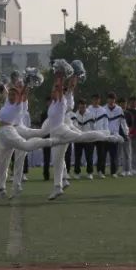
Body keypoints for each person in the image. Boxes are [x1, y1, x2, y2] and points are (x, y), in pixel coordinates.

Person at [46, 72, 123, 200]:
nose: (53, 92)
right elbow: (65, 88)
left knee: (82, 137)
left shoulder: (62, 101)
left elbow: (64, 88)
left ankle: (109, 137)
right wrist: (69, 77)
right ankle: (60, 185)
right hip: (56, 132)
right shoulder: (56, 102)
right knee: (57, 159)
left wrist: (60, 77)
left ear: (60, 92)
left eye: (55, 90)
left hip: (61, 129)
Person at [0, 80, 55, 201]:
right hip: (2, 134)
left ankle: (50, 141)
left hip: (11, 130)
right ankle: (2, 189)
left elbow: (21, 94)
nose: (10, 96)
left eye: (14, 94)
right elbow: (7, 92)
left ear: (19, 96)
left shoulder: (19, 104)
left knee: (25, 148)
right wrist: (4, 85)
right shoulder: (7, 102)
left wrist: (27, 83)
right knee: (2, 163)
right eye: (10, 94)